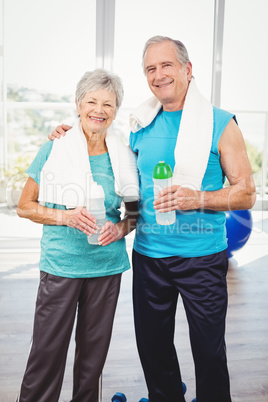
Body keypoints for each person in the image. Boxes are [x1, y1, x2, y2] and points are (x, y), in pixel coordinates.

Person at [50, 36, 256, 402]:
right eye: (150, 68)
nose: (158, 75)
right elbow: (111, 161)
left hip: (203, 258)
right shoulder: (139, 124)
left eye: (166, 66)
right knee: (153, 349)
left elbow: (246, 192)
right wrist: (70, 136)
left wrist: (199, 198)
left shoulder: (221, 123)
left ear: (187, 69)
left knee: (209, 351)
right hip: (149, 257)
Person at [16, 68, 139, 402]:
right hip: (62, 266)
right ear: (78, 104)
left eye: (108, 104)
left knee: (92, 361)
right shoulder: (54, 148)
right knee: (47, 354)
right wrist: (65, 217)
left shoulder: (125, 156)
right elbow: (25, 206)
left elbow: (135, 214)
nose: (99, 110)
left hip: (106, 266)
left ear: (116, 110)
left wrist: (121, 228)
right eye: (91, 101)